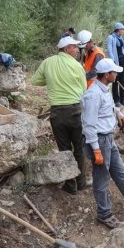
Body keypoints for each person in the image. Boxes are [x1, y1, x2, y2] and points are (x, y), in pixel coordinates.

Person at [81, 58, 124, 229]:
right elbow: (88, 124)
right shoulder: (93, 95)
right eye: (114, 72)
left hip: (107, 138)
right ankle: (104, 213)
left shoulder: (104, 89)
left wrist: (119, 114)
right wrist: (96, 150)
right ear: (106, 75)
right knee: (102, 178)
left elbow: (108, 107)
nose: (116, 74)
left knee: (120, 171)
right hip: (98, 140)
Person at [31, 36, 87, 195]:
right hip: (75, 111)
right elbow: (84, 89)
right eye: (75, 47)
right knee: (78, 148)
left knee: (64, 149)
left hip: (56, 112)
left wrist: (50, 80)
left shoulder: (47, 62)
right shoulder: (77, 66)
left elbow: (35, 81)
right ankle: (81, 182)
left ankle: (70, 185)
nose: (77, 50)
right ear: (67, 48)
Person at [106, 22, 124, 107]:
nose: (123, 31)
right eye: (123, 29)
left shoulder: (120, 38)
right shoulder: (110, 37)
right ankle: (116, 100)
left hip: (122, 61)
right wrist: (113, 62)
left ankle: (123, 99)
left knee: (122, 80)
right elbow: (109, 50)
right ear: (118, 30)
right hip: (115, 62)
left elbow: (123, 49)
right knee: (115, 80)